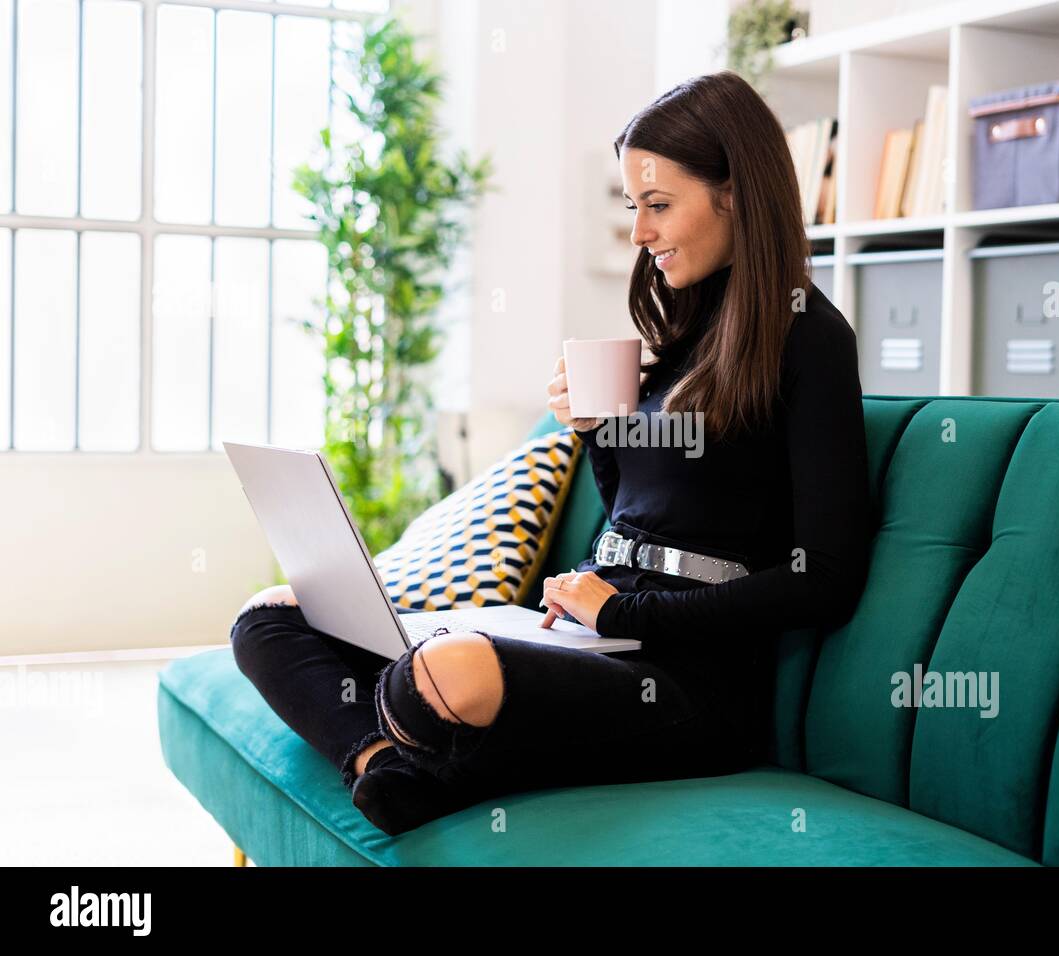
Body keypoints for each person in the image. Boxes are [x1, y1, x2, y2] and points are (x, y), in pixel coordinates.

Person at [228, 70, 870, 837]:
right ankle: (382, 767)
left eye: (658, 206)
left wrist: (622, 610)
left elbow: (826, 580)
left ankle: (411, 745)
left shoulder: (813, 342)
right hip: (586, 634)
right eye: (636, 207)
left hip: (687, 681)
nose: (639, 233)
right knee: (269, 621)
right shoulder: (678, 339)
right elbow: (632, 516)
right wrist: (599, 435)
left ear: (736, 193)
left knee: (440, 672)